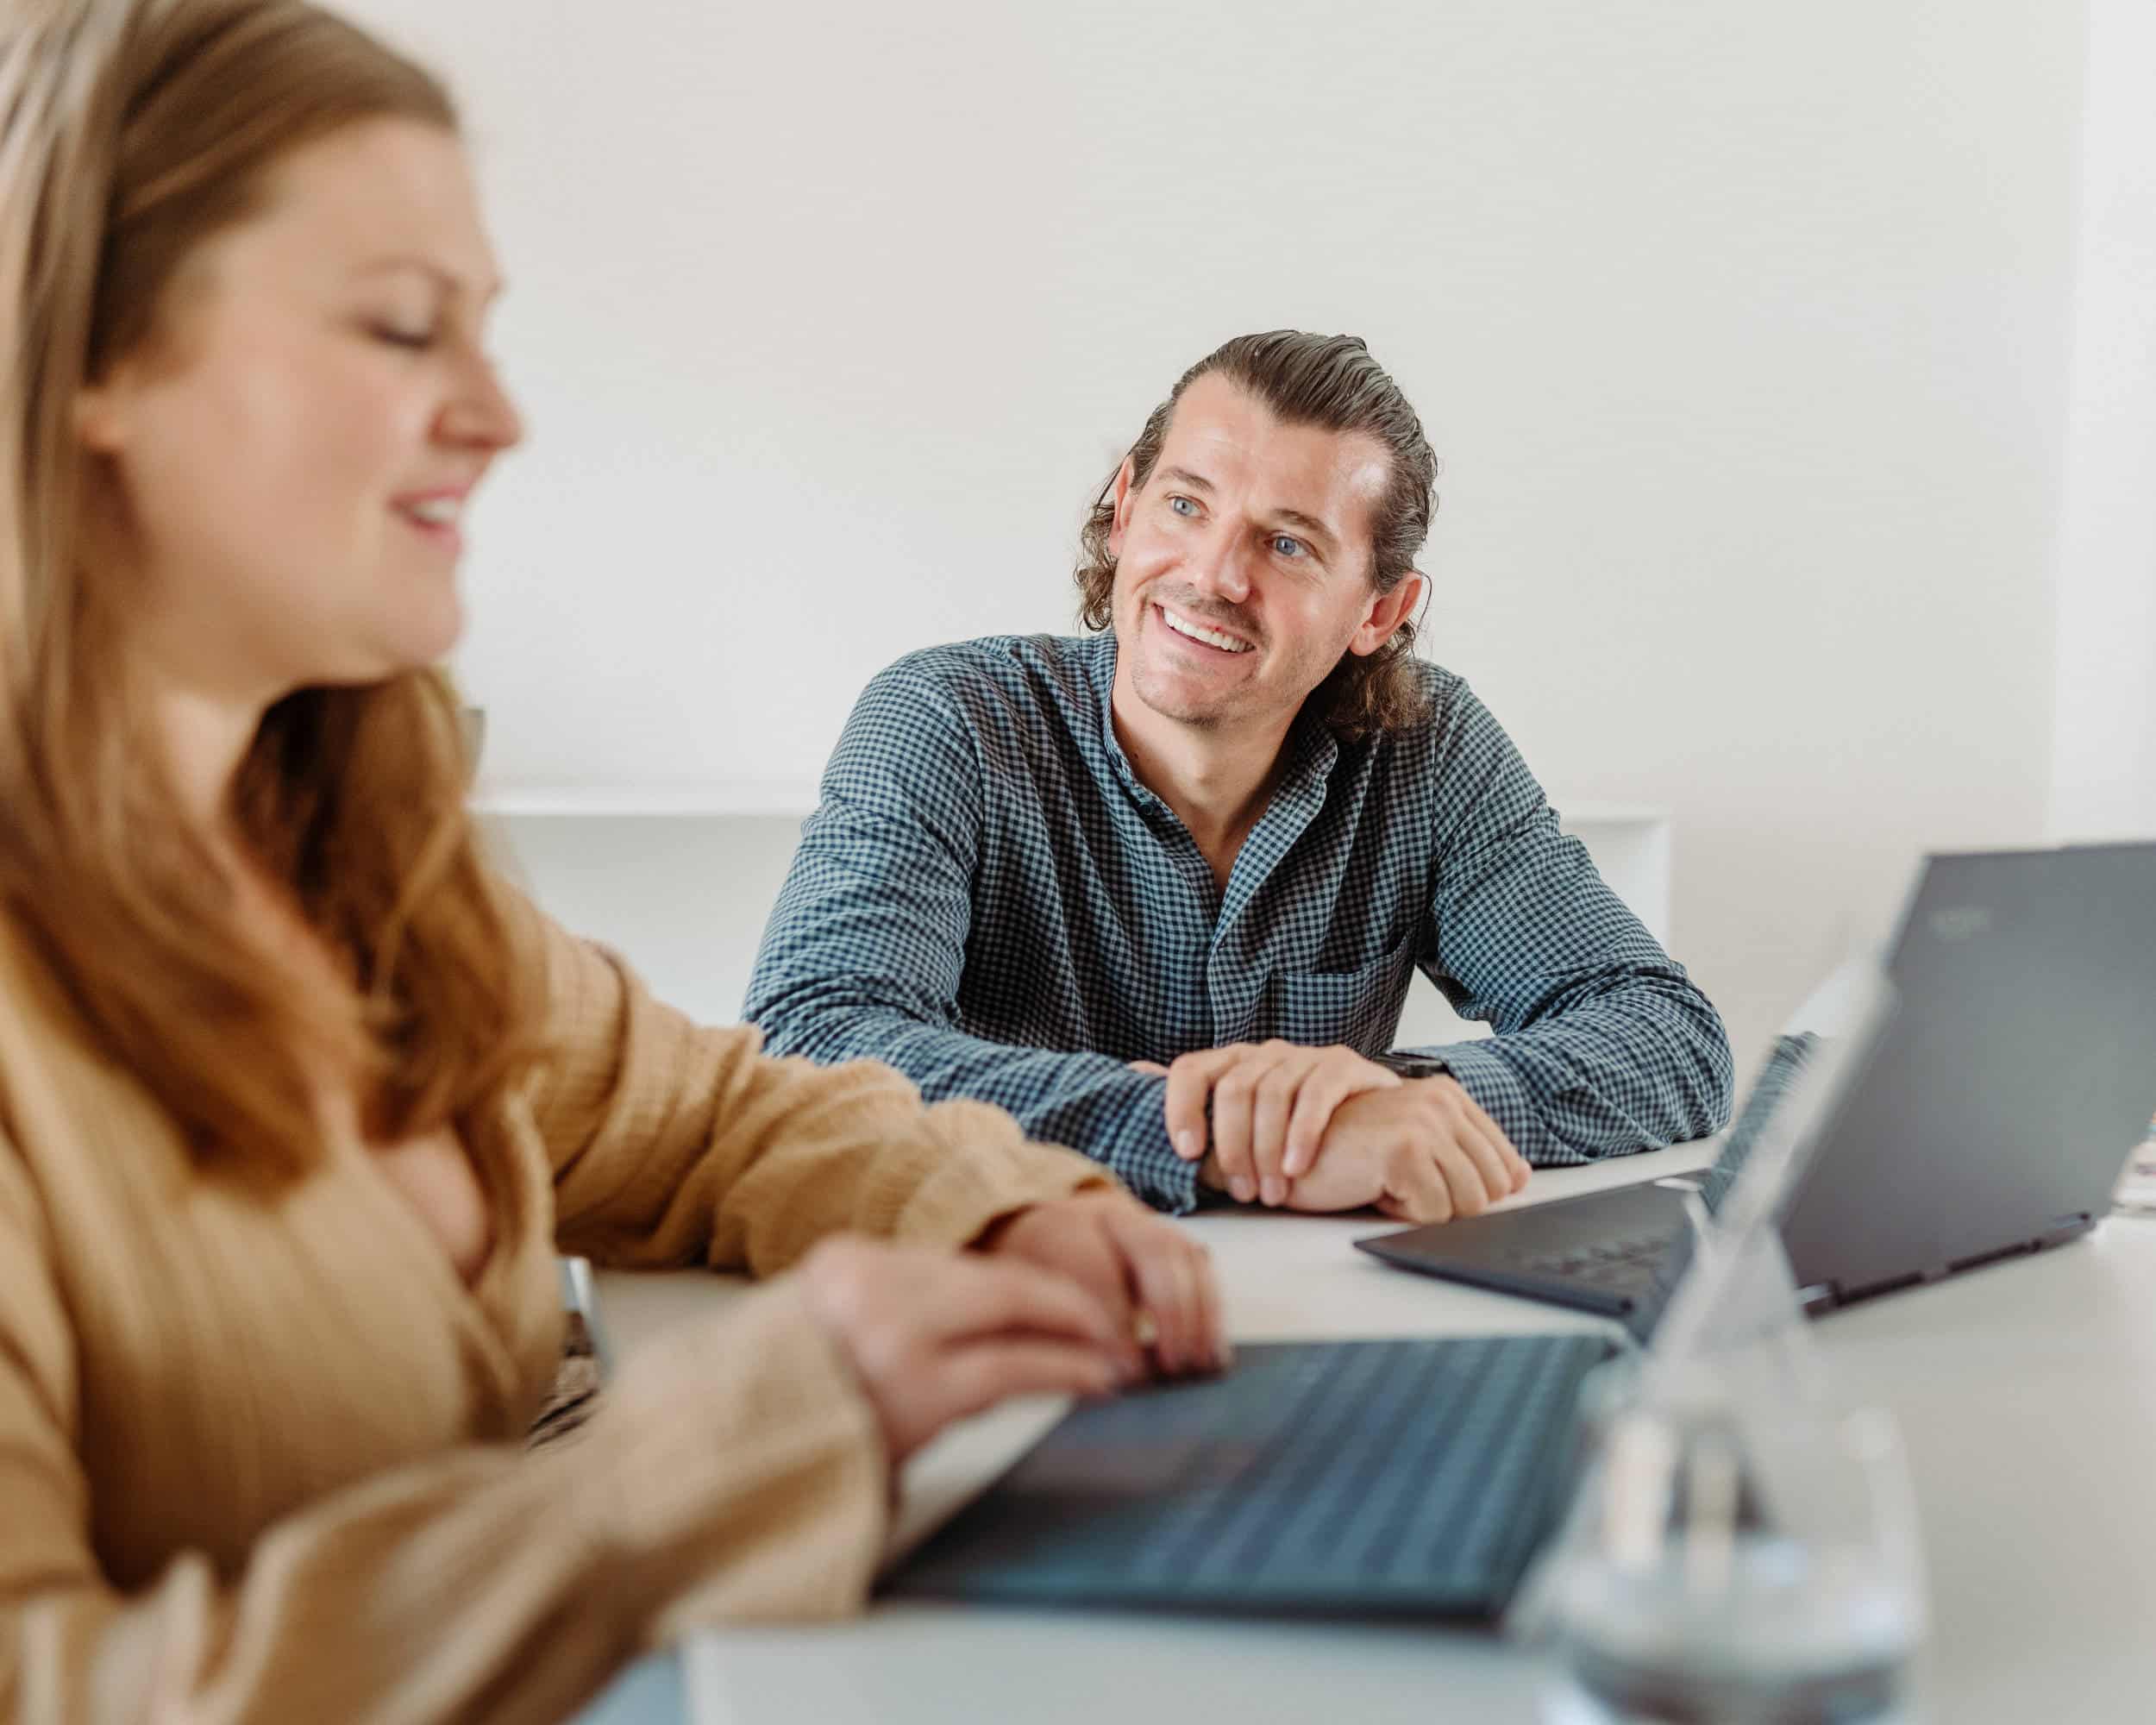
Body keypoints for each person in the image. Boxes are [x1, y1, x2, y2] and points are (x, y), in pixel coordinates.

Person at [0, 3, 1224, 1717]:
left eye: (485, 336)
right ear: (91, 363)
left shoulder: (349, 860)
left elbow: (704, 1112)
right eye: (400, 328)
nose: (497, 416)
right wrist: (686, 1472)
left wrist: (990, 1199)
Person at [747, 331, 1735, 1220]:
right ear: (1123, 509)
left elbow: (1667, 1038)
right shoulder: (946, 719)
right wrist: (1218, 1132)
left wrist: (1392, 1100)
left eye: (1289, 542)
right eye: (1185, 504)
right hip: (1015, 1300)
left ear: (1380, 613)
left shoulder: (1431, 752)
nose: (1214, 574)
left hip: (1330, 1323)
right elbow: (809, 1042)